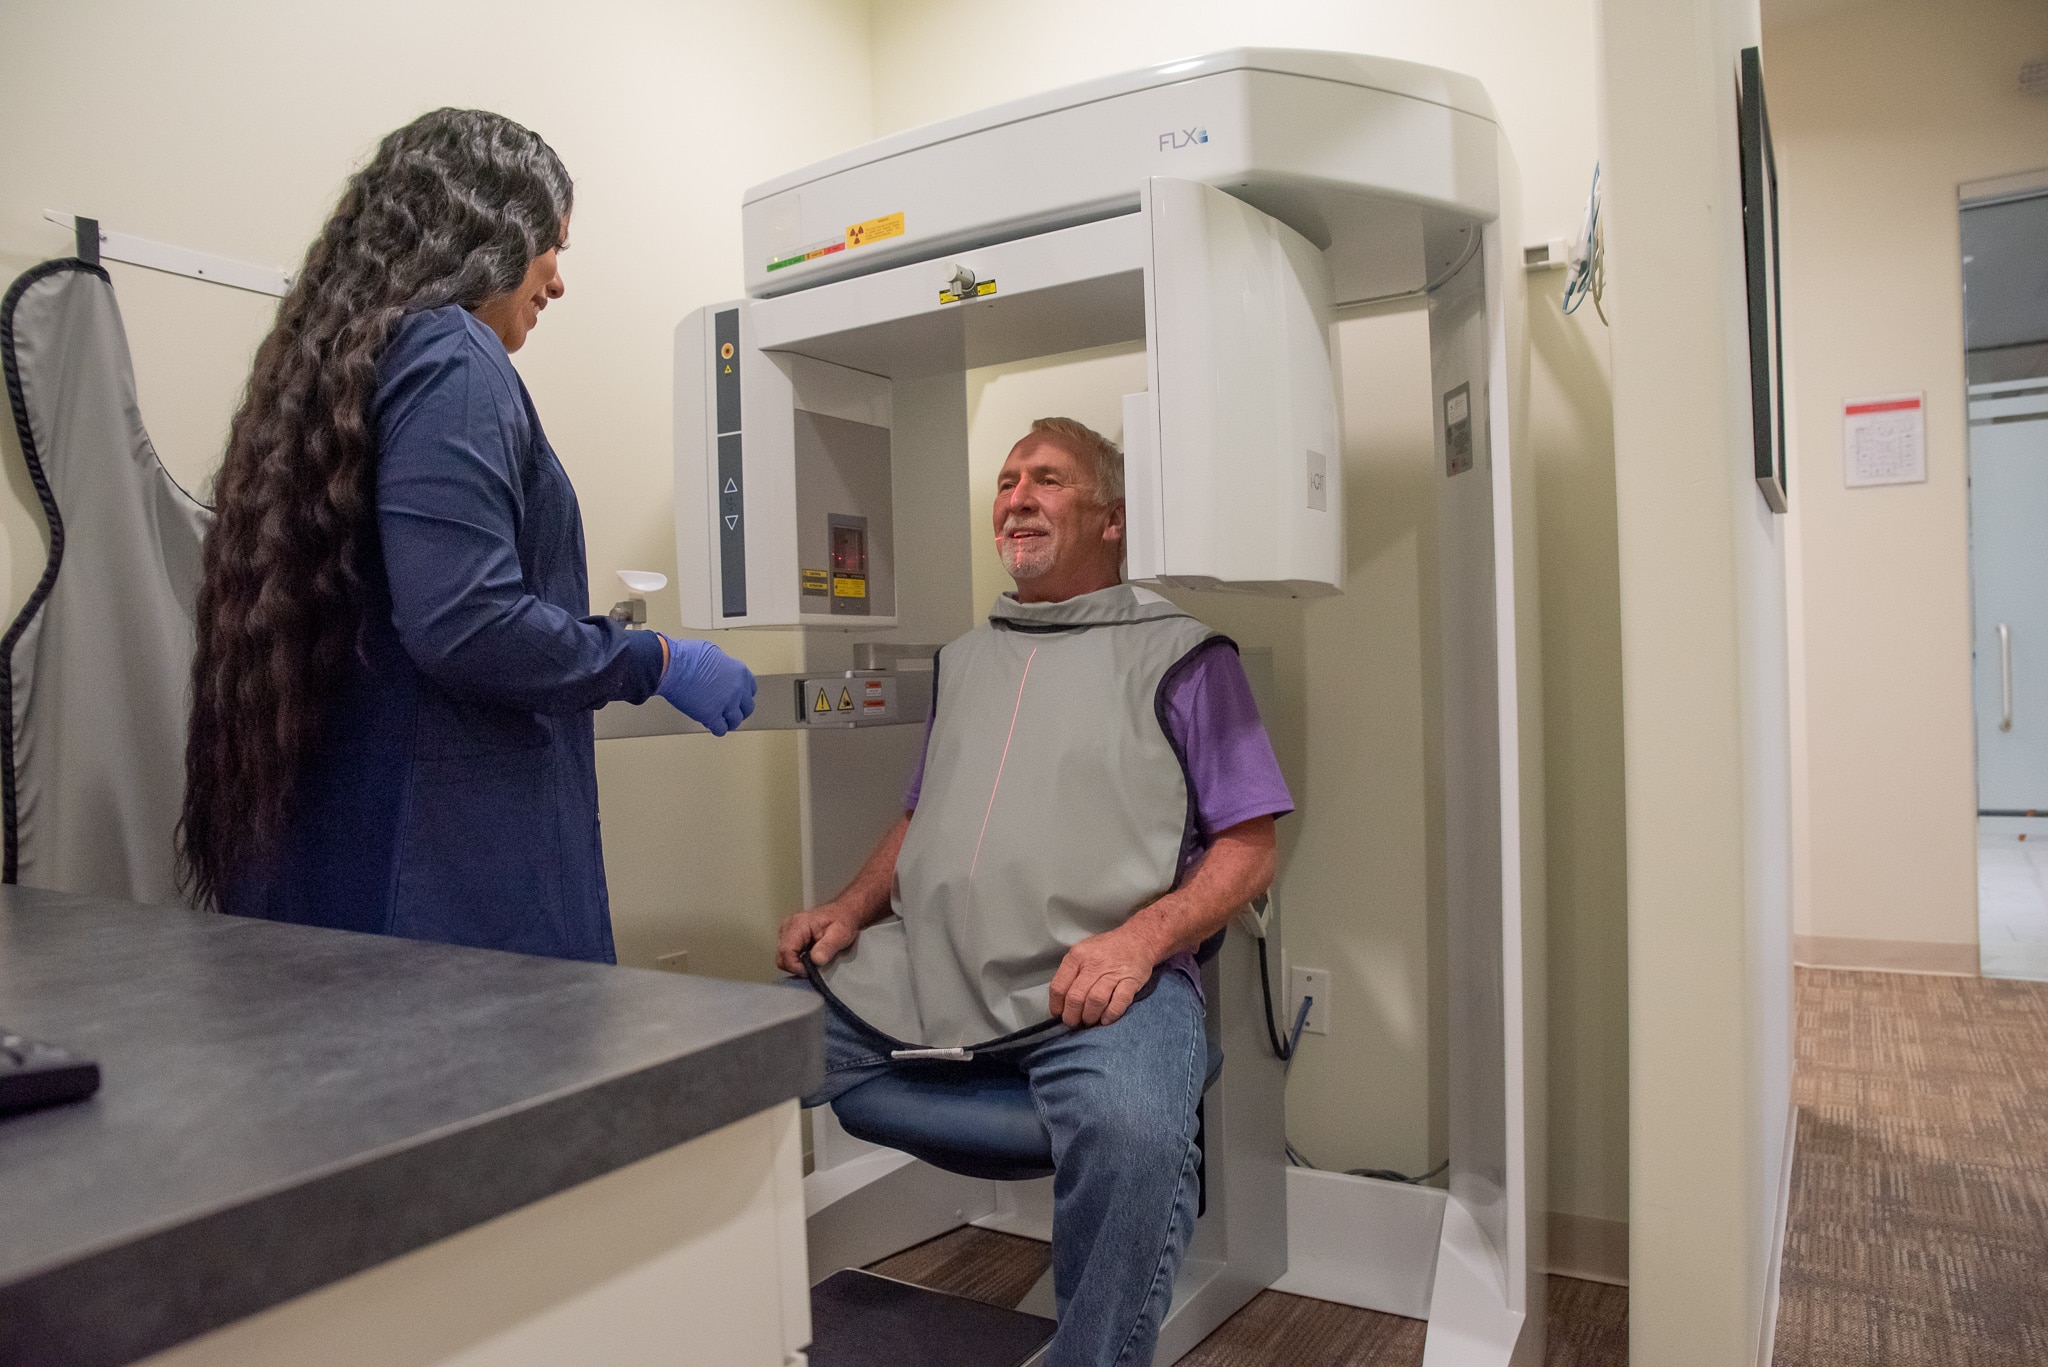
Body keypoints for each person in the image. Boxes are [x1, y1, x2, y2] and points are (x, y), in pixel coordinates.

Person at [777, 417, 1293, 1366]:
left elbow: (1250, 848)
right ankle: (735, 1322)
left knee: (1137, 1129)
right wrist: (849, 909)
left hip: (1096, 992)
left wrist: (1138, 943)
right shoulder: (968, 657)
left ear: (1113, 520)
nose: (1016, 497)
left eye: (1047, 480)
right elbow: (920, 815)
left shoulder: (1184, 656)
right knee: (739, 1050)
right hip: (928, 969)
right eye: (1008, 481)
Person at [182, 109, 754, 962]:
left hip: (339, 888)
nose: (556, 281)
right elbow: (468, 621)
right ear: (485, 235)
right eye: (550, 247)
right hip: (451, 907)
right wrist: (653, 660)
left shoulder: (344, 368)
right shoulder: (453, 357)